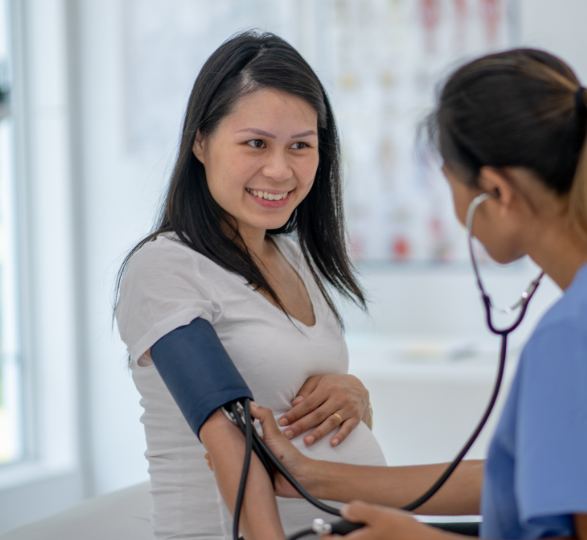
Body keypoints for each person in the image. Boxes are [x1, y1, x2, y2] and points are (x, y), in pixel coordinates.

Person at [248, 48, 587, 540]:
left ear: (498, 193)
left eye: (453, 187)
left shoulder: (580, 337)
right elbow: (532, 479)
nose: (455, 210)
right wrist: (315, 476)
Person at [114, 32, 386, 540]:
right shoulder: (164, 268)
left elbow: (292, 403)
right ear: (200, 141)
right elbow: (226, 437)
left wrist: (357, 398)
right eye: (255, 143)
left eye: (300, 146)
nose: (280, 170)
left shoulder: (294, 256)